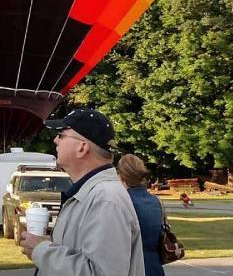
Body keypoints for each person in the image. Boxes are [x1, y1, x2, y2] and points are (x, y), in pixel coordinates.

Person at [18, 107, 145, 276]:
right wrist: (51, 245)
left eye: (62, 134)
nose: (56, 140)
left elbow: (100, 273)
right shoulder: (90, 194)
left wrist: (41, 250)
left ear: (82, 147)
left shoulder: (106, 199)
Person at [118, 154, 164, 276]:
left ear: (121, 176)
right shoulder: (156, 201)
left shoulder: (122, 202)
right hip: (154, 265)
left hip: (132, 265)